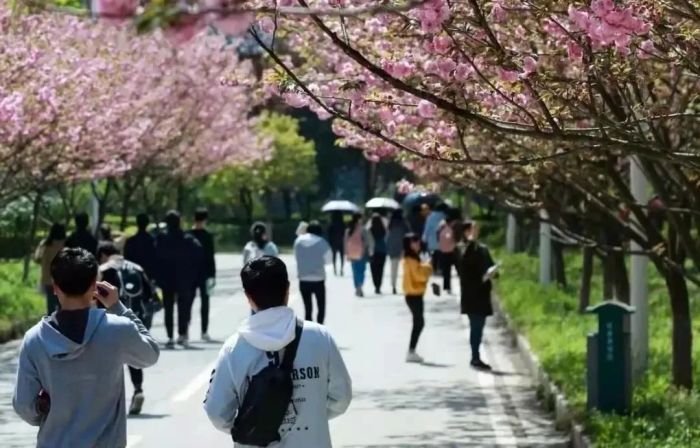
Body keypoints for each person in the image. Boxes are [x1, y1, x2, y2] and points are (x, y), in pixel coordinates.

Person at [12, 248, 159, 447]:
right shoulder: (117, 329)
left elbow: (24, 406)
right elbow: (150, 354)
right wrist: (118, 307)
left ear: (55, 287)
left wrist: (48, 414)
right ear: (94, 287)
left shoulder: (34, 339)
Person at [204, 256, 352, 446]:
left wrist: (252, 426)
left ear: (248, 297)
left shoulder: (234, 348)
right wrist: (313, 415)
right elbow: (341, 398)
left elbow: (217, 412)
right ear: (288, 289)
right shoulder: (319, 337)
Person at [97, 242, 158, 416]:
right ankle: (138, 390)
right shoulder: (137, 268)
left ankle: (111, 399)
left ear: (102, 255)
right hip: (135, 317)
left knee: (111, 360)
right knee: (134, 356)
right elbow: (149, 295)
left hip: (109, 320)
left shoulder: (104, 269)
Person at [155, 210, 203, 349]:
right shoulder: (187, 238)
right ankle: (182, 335)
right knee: (183, 308)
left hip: (167, 279)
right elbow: (199, 253)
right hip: (184, 278)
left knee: (168, 308)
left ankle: (170, 336)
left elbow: (156, 257)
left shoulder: (161, 238)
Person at [458, 221, 497, 370]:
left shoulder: (483, 249)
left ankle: (476, 355)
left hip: (483, 292)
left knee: (479, 326)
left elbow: (490, 265)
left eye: (476, 230)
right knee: (475, 326)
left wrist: (493, 273)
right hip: (471, 293)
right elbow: (464, 264)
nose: (474, 233)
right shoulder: (463, 249)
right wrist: (470, 243)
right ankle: (475, 357)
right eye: (471, 230)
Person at [188, 208, 217, 342]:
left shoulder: (188, 235)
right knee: (205, 302)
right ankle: (204, 331)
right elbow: (211, 257)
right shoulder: (207, 236)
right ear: (205, 220)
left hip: (190, 273)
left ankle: (185, 329)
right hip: (205, 273)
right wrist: (213, 275)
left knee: (188, 301)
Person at [402, 234, 432, 363]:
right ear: (409, 244)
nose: (418, 243)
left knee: (419, 322)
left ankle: (412, 350)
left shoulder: (412, 258)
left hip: (415, 294)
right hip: (414, 295)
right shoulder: (411, 260)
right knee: (419, 323)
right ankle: (411, 351)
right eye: (414, 241)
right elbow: (420, 276)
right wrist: (428, 266)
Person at [294, 221, 331, 323]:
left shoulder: (298, 242)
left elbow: (297, 257)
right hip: (318, 279)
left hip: (303, 279)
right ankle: (320, 327)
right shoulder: (322, 242)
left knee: (308, 308)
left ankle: (309, 328)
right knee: (321, 306)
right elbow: (329, 260)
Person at [34, 223, 66, 315]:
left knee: (50, 306)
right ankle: (62, 325)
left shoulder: (45, 244)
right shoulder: (66, 245)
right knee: (62, 305)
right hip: (62, 279)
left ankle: (50, 325)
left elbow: (37, 258)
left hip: (48, 279)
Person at [124, 213, 157, 279]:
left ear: (137, 223)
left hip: (133, 273)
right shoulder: (152, 241)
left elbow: (126, 259)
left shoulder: (131, 241)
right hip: (147, 274)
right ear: (147, 223)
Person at [345, 213, 370, 297]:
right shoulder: (363, 229)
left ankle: (357, 287)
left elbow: (345, 241)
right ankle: (360, 286)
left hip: (351, 252)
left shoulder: (349, 229)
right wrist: (366, 249)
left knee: (355, 271)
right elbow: (367, 241)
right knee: (361, 270)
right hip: (361, 253)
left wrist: (346, 253)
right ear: (359, 219)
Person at [387, 209, 409, 295]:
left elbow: (388, 236)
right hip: (403, 247)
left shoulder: (391, 223)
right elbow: (408, 233)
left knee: (393, 268)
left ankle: (393, 286)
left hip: (392, 247)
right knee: (406, 268)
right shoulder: (403, 223)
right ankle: (406, 286)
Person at [436, 210, 459, 295]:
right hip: (450, 252)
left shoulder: (440, 229)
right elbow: (449, 238)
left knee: (446, 271)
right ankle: (458, 284)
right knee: (456, 269)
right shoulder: (448, 230)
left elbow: (438, 238)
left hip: (442, 252)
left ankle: (447, 286)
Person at [423, 202, 448, 274]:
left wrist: (424, 238)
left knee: (433, 255)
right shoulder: (445, 216)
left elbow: (427, 229)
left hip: (432, 241)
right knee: (441, 255)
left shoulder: (430, 217)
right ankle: (440, 269)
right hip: (442, 241)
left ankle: (434, 269)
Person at [368, 214, 388, 295]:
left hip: (373, 252)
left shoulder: (370, 230)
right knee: (380, 269)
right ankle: (379, 286)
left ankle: (376, 285)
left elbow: (368, 241)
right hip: (382, 251)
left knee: (374, 270)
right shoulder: (383, 229)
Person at [328, 212, 346, 276]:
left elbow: (329, 235)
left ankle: (335, 268)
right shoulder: (343, 224)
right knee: (342, 256)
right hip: (341, 241)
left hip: (334, 242)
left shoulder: (331, 225)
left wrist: (330, 242)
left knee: (334, 256)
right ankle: (341, 269)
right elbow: (345, 234)